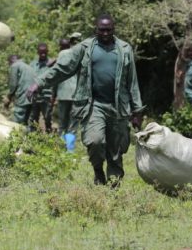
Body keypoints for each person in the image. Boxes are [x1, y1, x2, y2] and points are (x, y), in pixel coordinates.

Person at [28, 14, 143, 186]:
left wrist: (137, 110)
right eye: (101, 30)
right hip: (93, 105)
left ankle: (114, 187)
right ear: (95, 29)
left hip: (119, 106)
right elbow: (62, 68)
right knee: (95, 141)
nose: (105, 33)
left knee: (116, 150)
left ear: (114, 29)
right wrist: (38, 83)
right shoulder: (85, 48)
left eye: (108, 30)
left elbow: (132, 82)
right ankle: (98, 170)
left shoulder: (124, 49)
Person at [52, 38, 78, 136]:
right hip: (75, 94)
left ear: (60, 47)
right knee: (73, 123)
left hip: (63, 94)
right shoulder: (77, 53)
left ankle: (61, 148)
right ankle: (70, 149)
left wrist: (53, 95)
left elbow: (56, 75)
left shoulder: (61, 55)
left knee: (62, 123)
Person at [5, 55, 35, 127]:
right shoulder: (29, 67)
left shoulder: (15, 66)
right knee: (26, 120)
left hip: (23, 96)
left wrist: (9, 97)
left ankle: (16, 137)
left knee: (17, 119)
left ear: (11, 61)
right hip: (32, 97)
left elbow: (13, 84)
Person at [29, 43, 54, 132]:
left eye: (45, 52)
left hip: (46, 96)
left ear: (47, 52)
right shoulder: (33, 64)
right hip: (35, 97)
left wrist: (54, 96)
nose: (43, 54)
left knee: (48, 118)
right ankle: (33, 138)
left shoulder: (52, 64)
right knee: (33, 119)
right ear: (38, 52)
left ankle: (49, 137)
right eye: (41, 53)